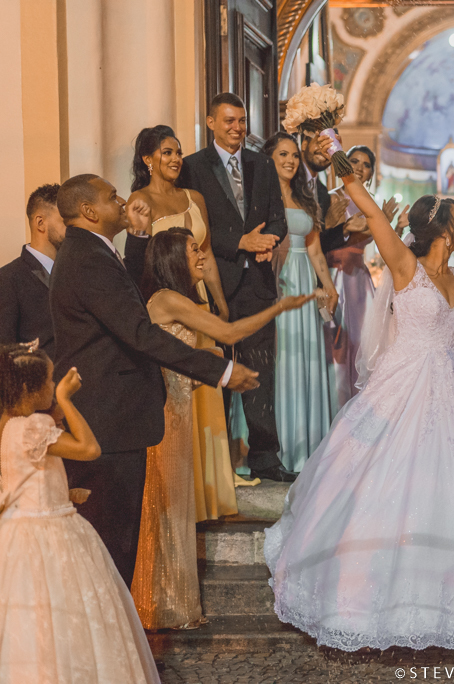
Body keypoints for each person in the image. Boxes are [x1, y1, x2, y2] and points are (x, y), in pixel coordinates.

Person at [264, 135, 454, 650]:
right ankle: (361, 597)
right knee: (384, 482)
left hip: (453, 390)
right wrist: (346, 172)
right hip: (403, 386)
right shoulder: (404, 266)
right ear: (441, 228)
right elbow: (372, 215)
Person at [50, 173, 257, 586]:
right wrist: (221, 370)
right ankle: (110, 644)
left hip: (112, 415)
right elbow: (140, 331)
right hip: (110, 419)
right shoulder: (88, 258)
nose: (123, 200)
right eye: (112, 197)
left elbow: (124, 299)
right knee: (111, 549)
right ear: (89, 211)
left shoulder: (88, 251)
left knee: (116, 545)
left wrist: (140, 236)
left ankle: (115, 642)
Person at [132, 228, 311, 630]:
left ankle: (165, 601)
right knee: (165, 507)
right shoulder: (168, 298)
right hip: (167, 415)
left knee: (174, 506)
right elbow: (228, 334)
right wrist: (278, 308)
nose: (202, 257)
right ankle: (157, 603)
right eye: (194, 251)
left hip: (180, 412)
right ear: (173, 257)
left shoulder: (175, 299)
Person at [0, 343, 160, 683]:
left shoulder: (8, 426)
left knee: (31, 619)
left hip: (18, 534)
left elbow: (18, 482)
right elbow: (90, 448)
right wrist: (67, 401)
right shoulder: (33, 428)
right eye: (49, 381)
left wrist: (63, 492)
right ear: (29, 388)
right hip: (49, 540)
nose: (53, 386)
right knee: (60, 614)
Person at [177, 92, 295, 483]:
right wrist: (240, 242)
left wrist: (269, 242)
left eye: (241, 121)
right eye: (228, 121)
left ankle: (265, 459)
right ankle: (220, 466)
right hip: (216, 288)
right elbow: (191, 230)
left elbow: (278, 220)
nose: (237, 128)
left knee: (261, 375)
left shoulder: (262, 164)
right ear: (211, 122)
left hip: (257, 287)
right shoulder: (192, 167)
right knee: (219, 376)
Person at [124, 124, 238, 522]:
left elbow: (204, 258)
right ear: (148, 159)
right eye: (167, 153)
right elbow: (136, 269)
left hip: (200, 305)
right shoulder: (138, 202)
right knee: (178, 405)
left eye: (177, 152)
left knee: (207, 400)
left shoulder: (195, 198)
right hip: (166, 313)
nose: (175, 159)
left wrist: (220, 308)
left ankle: (209, 496)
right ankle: (178, 497)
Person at [259, 132, 339, 471]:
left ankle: (306, 447)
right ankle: (277, 449)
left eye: (294, 155)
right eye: (283, 155)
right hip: (275, 280)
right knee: (280, 357)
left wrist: (328, 285)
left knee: (306, 355)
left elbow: (315, 249)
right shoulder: (259, 197)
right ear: (269, 159)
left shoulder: (307, 197)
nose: (291, 161)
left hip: (304, 279)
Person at [322, 145, 401, 409]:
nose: (358, 167)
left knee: (364, 343)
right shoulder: (332, 198)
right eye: (353, 160)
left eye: (365, 164)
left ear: (371, 172)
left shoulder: (373, 203)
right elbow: (324, 240)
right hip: (334, 275)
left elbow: (382, 245)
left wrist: (393, 228)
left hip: (359, 280)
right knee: (337, 344)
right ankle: (336, 405)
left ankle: (364, 406)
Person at [0, 184, 64, 359]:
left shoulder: (75, 271)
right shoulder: (8, 279)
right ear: (40, 223)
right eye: (65, 221)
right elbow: (5, 351)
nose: (73, 229)